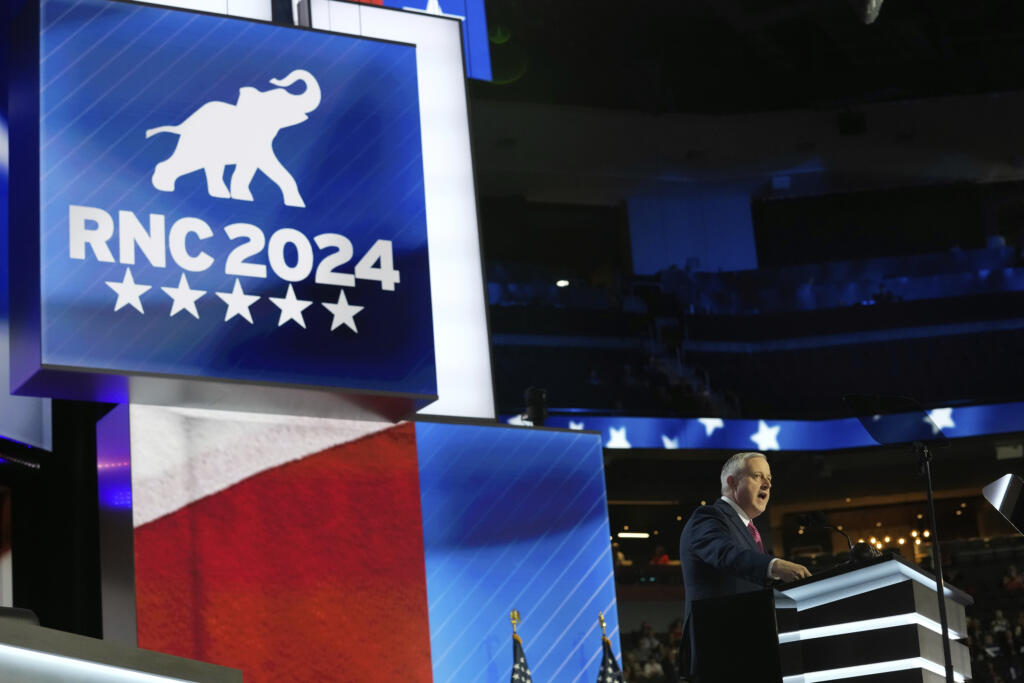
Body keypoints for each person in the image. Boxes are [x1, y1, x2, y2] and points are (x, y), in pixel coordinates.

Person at [678, 451, 811, 680]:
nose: (767, 483)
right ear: (732, 482)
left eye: (769, 478)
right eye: (758, 476)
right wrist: (775, 565)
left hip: (747, 653)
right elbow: (726, 554)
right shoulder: (708, 517)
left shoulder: (751, 531)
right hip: (718, 653)